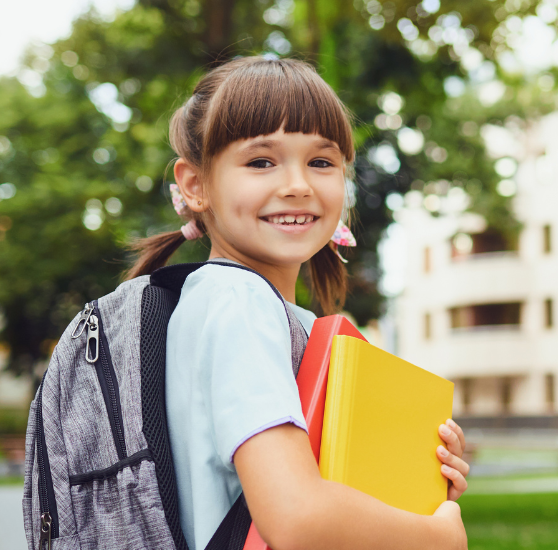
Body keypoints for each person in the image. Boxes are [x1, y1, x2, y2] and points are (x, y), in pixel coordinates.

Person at [125, 56, 470, 550]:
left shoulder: (213, 303)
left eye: (321, 162)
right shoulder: (239, 302)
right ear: (196, 185)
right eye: (261, 161)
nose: (297, 185)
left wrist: (419, 482)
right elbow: (295, 517)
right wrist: (434, 538)